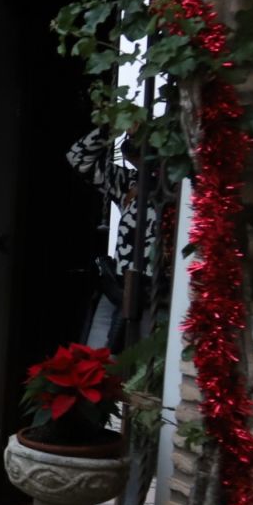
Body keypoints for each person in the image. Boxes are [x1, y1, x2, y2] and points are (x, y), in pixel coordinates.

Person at [65, 128, 146, 352]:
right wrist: (111, 127)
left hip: (153, 297)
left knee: (137, 369)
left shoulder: (175, 190)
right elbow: (78, 158)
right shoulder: (128, 183)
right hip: (116, 289)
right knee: (94, 360)